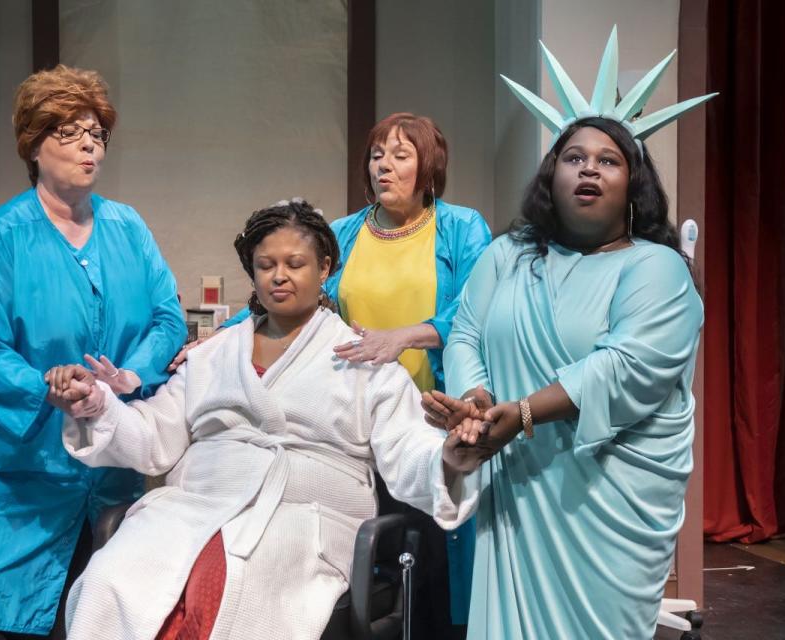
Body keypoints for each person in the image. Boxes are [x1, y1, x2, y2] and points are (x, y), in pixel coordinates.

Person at [46, 199, 484, 640]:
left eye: (295, 263)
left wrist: (446, 457)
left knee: (225, 590)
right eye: (265, 264)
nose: (279, 276)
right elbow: (152, 434)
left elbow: (408, 445)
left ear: (325, 266)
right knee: (109, 580)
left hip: (302, 520)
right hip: (193, 509)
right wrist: (96, 405)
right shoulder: (213, 354)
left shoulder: (363, 363)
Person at [423, 29, 715, 638]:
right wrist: (477, 401)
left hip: (604, 505)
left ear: (633, 187)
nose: (589, 169)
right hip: (518, 490)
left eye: (608, 161)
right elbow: (466, 332)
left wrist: (523, 414)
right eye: (573, 158)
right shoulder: (507, 255)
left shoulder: (656, 268)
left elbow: (628, 367)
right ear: (551, 177)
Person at [186, 113, 491, 634]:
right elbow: (287, 294)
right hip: (359, 419)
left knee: (435, 565)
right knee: (370, 564)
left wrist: (404, 336)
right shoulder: (347, 233)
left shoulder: (461, 228)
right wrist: (224, 333)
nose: (384, 168)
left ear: (429, 167)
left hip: (433, 417)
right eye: (376, 156)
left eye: (400, 156)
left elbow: (475, 312)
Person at [0, 64, 187, 639]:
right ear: (34, 143)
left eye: (97, 134)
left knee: (94, 612)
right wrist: (45, 390)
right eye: (70, 132)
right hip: (12, 473)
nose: (89, 145)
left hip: (105, 466)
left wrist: (130, 374)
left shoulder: (129, 228)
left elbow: (166, 315)